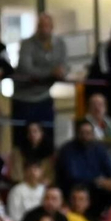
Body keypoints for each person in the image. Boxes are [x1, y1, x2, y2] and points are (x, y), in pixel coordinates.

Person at [14, 12, 68, 143]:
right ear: (37, 27)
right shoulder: (27, 44)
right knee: (22, 138)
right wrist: (50, 73)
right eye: (41, 26)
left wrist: (62, 72)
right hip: (24, 98)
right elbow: (26, 69)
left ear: (52, 27)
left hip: (44, 96)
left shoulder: (59, 43)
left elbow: (64, 64)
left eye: (47, 26)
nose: (44, 29)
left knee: (47, 137)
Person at [58, 119, 111, 209]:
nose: (85, 136)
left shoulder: (99, 148)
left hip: (99, 187)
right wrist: (98, 182)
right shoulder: (67, 150)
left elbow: (110, 169)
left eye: (88, 133)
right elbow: (72, 176)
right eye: (82, 133)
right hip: (76, 187)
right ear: (77, 133)